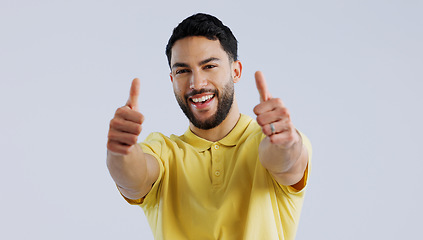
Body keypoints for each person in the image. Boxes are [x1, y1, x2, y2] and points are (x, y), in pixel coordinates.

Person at [107, 13, 312, 240]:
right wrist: (120, 152)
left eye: (209, 66)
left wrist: (284, 144)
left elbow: (285, 161)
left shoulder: (266, 141)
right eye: (183, 71)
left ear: (236, 71)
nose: (197, 83)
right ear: (172, 79)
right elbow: (134, 178)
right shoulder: (164, 151)